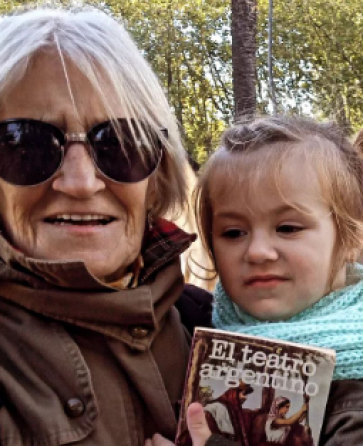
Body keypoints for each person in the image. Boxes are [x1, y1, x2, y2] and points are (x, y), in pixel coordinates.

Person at [148, 116, 363, 446]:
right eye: (233, 232)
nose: (258, 252)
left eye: (288, 228)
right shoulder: (208, 335)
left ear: (351, 237)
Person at [0, 6, 212, 446]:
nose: (81, 182)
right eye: (26, 144)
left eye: (119, 144)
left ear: (156, 180)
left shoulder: (218, 327)